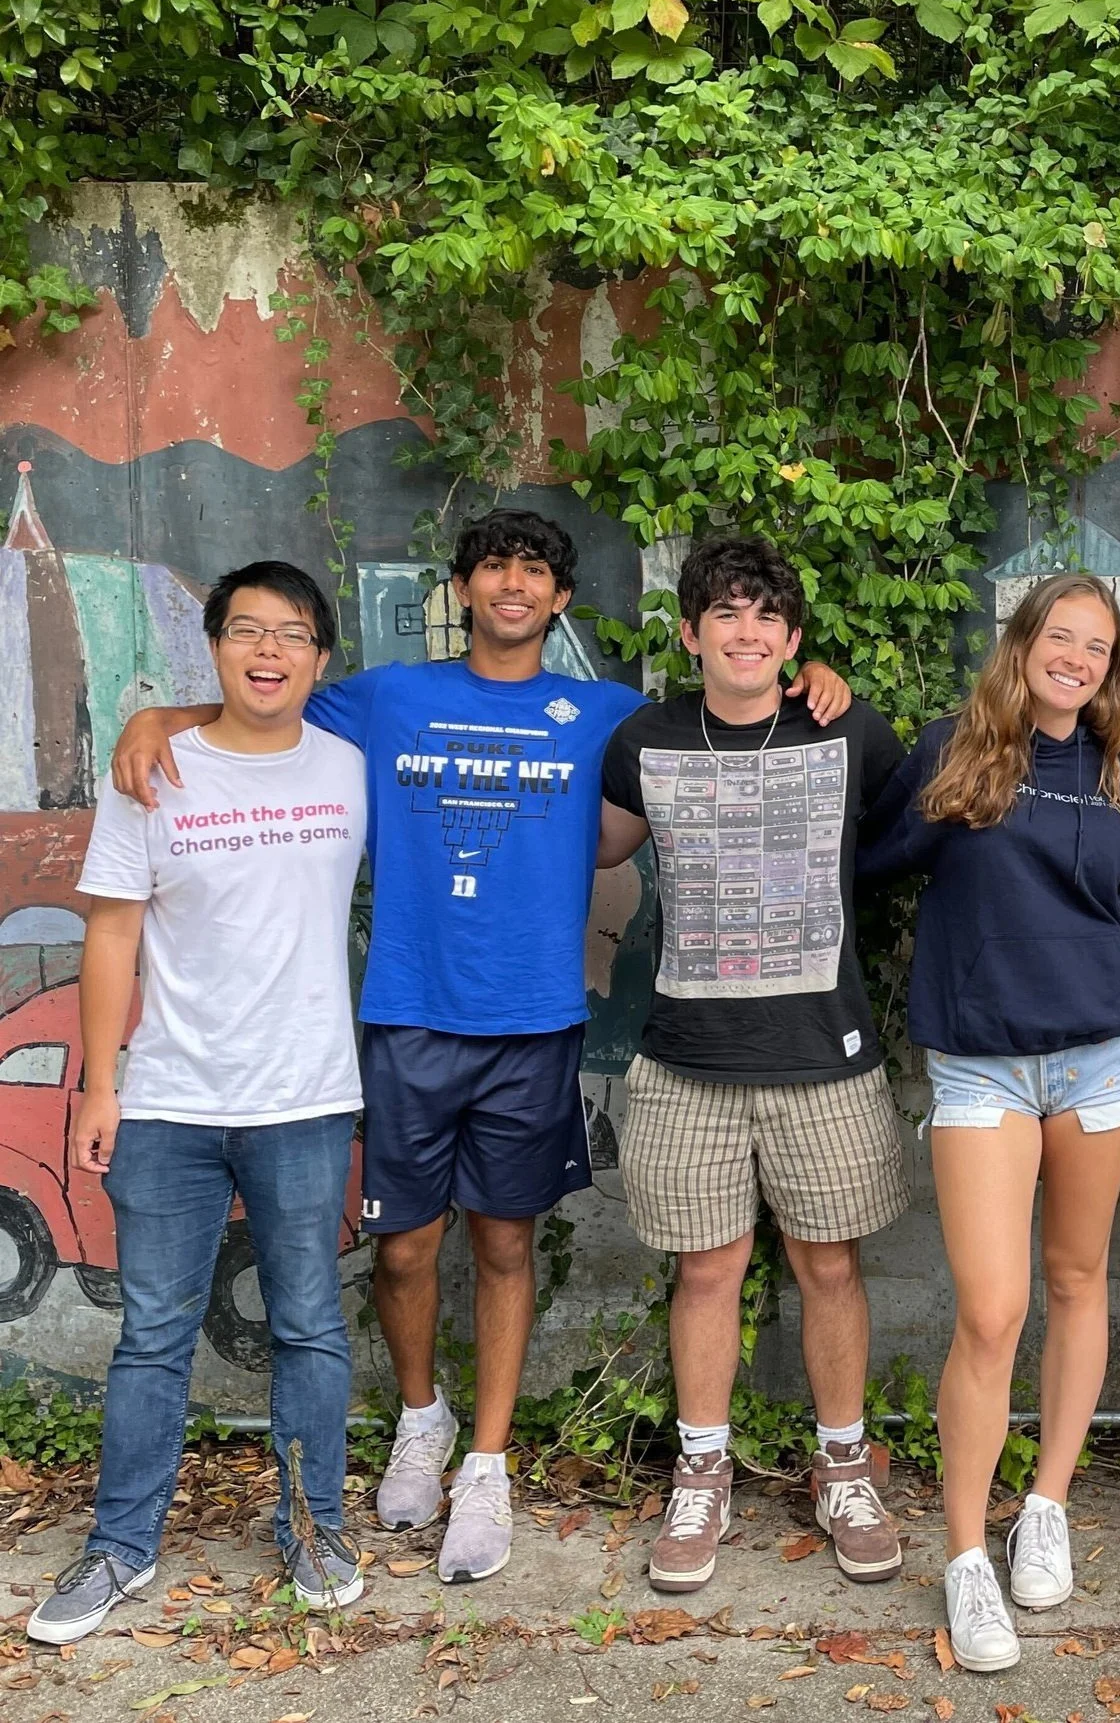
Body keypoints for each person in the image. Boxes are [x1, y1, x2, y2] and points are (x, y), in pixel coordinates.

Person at [108, 510, 850, 1584]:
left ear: (559, 599)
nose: (515, 583)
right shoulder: (390, 697)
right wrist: (158, 721)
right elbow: (261, 706)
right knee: (406, 1249)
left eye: (537, 570)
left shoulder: (608, 715)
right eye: (496, 565)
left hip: (535, 1020)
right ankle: (423, 1418)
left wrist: (812, 672)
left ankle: (489, 1467)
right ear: (461, 587)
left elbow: (728, 719)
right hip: (410, 1014)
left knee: (504, 1246)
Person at [29, 563, 369, 1642]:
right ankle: (121, 1546)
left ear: (320, 658)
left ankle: (312, 1527)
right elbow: (113, 932)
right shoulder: (157, 771)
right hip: (169, 1100)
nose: (269, 652)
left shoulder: (352, 766)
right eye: (247, 632)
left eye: (293, 635)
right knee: (152, 1336)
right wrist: (99, 1084)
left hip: (306, 1098)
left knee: (310, 1325)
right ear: (215, 646)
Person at [859, 574, 1120, 1671]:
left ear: (1111, 664)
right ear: (1024, 639)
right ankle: (962, 1556)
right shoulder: (956, 747)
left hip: (1100, 1060)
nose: (1077, 659)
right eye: (1061, 637)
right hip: (982, 1067)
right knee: (992, 1314)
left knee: (1080, 1280)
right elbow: (869, 861)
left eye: (1099, 646)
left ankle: (1045, 1503)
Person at [599, 536, 908, 1595]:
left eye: (767, 617)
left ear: (794, 639)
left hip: (824, 1055)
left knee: (830, 1267)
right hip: (687, 1060)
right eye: (725, 615)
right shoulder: (641, 739)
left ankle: (842, 1466)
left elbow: (915, 834)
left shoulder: (848, 726)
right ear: (689, 634)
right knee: (707, 1271)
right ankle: (702, 1473)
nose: (746, 633)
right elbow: (593, 850)